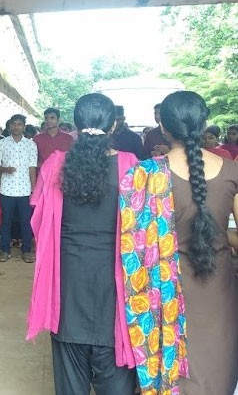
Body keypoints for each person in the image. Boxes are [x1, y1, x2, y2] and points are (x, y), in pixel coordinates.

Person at [119, 91, 238, 394]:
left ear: (164, 127)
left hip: (164, 292)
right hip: (219, 290)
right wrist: (222, 236)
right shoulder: (232, 172)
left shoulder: (145, 174)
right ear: (203, 123)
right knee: (217, 365)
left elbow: (133, 245)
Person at [27, 93, 139, 395]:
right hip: (115, 289)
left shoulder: (54, 165)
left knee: (70, 383)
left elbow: (38, 221)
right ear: (114, 124)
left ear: (75, 125)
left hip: (67, 284)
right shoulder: (131, 166)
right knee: (116, 379)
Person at [0, 114, 38, 263]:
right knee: (6, 221)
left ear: (24, 127)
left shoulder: (31, 145)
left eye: (19, 124)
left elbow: (32, 168)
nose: (16, 126)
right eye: (14, 124)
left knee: (26, 221)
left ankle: (26, 251)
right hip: (7, 190)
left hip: (25, 190)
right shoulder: (2, 143)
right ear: (9, 126)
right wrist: (5, 169)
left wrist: (34, 190)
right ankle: (5, 251)